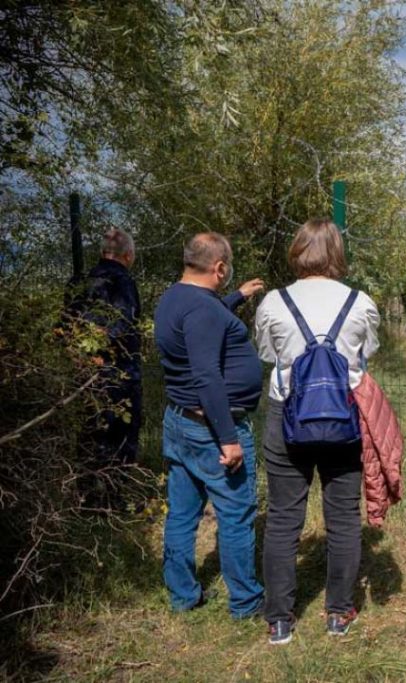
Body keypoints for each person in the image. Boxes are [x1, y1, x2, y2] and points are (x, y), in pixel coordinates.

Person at [254, 218, 380, 645]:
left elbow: (267, 353)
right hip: (344, 417)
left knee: (285, 517)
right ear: (337, 253)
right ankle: (339, 613)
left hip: (287, 415)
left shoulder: (273, 301)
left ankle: (279, 620)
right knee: (343, 517)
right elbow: (366, 356)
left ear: (297, 250)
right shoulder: (360, 302)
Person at [153, 232, 266, 618]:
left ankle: (183, 595)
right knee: (236, 515)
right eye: (226, 271)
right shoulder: (203, 310)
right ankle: (246, 603)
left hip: (180, 422)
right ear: (219, 267)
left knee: (182, 513)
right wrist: (229, 439)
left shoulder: (175, 297)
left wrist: (237, 297)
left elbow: (205, 322)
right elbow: (206, 376)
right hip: (210, 428)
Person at [64, 228, 142, 507]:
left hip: (84, 374)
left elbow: (65, 326)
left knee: (89, 431)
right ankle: (112, 498)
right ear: (128, 255)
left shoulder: (81, 280)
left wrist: (81, 357)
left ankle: (85, 494)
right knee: (121, 435)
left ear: (102, 252)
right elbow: (123, 325)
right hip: (119, 374)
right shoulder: (121, 281)